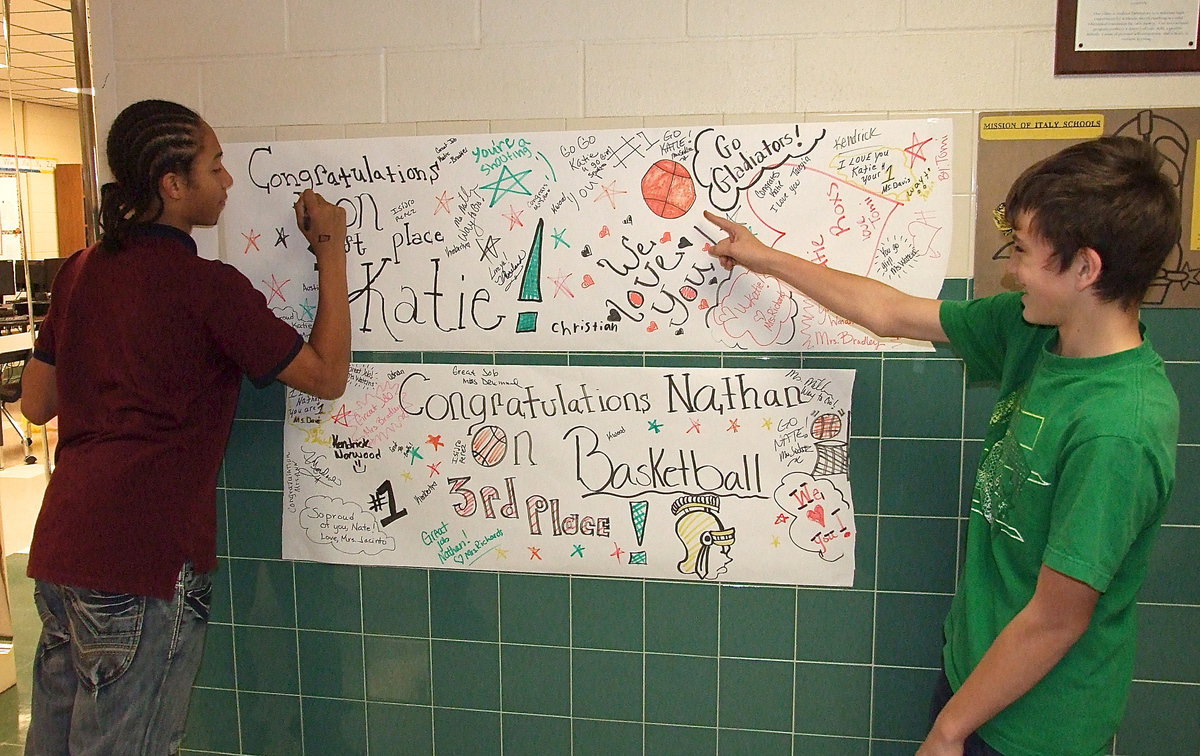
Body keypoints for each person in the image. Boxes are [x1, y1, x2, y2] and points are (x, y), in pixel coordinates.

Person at [704, 135, 1179, 756]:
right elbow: (890, 311)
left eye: (1026, 253)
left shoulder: (1119, 428)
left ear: (1085, 269)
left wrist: (950, 730)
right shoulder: (1034, 330)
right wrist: (767, 260)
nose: (1011, 269)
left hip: (1038, 725)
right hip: (976, 681)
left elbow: (1058, 618)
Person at [20, 99, 350, 754]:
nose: (227, 181)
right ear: (173, 185)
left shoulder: (81, 271)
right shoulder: (207, 289)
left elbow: (35, 402)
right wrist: (332, 250)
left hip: (63, 553)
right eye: (215, 164)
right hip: (142, 561)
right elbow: (325, 376)